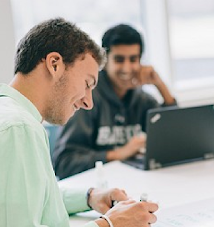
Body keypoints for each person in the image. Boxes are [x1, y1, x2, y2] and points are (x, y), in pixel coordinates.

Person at [0, 18, 176, 227]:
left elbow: (26, 199)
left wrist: (89, 196)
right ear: (54, 64)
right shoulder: (18, 129)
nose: (88, 102)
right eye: (88, 84)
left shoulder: (11, 116)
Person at [52, 24, 176, 179]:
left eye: (133, 59)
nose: (126, 68)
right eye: (119, 59)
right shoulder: (85, 100)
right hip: (96, 190)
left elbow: (176, 141)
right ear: (105, 61)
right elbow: (64, 163)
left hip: (135, 184)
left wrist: (160, 86)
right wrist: (118, 154)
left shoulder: (144, 100)